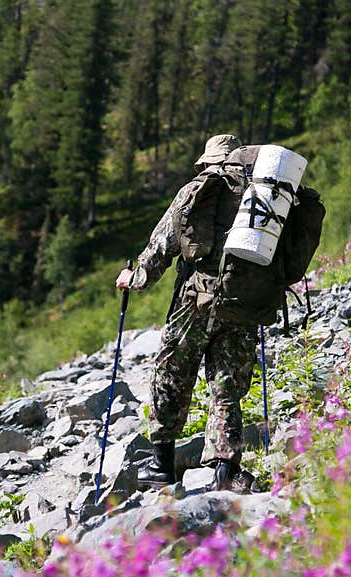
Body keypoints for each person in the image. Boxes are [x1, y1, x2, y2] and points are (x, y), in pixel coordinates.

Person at [115, 134, 257, 494]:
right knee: (226, 383)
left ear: (208, 161)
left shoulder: (198, 189)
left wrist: (134, 278)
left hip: (196, 297)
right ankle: (226, 468)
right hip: (243, 298)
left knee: (173, 369)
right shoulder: (260, 197)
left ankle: (161, 465)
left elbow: (164, 244)